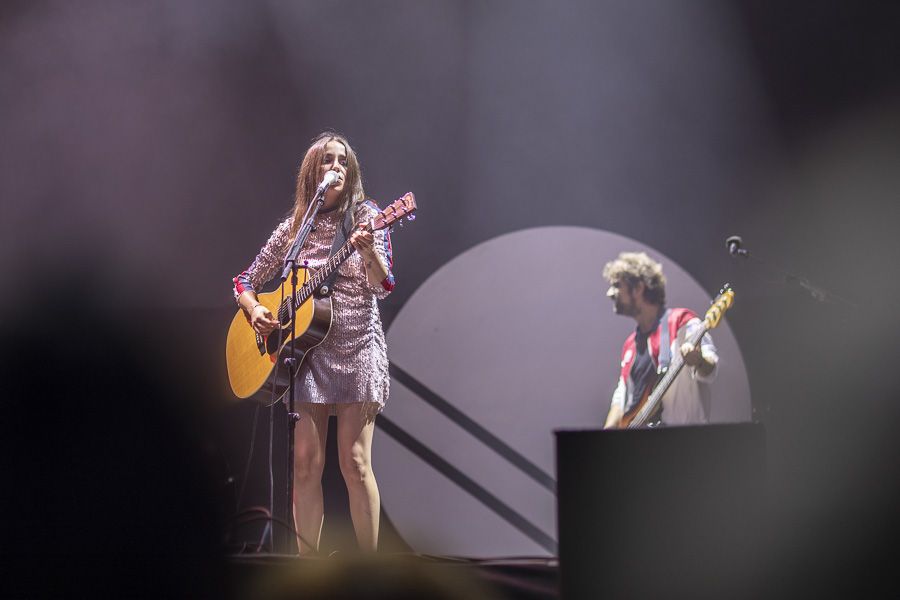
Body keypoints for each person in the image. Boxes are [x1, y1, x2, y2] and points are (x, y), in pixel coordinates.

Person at [232, 132, 394, 553]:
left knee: (355, 463)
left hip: (357, 348)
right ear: (313, 172)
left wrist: (368, 251)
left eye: (342, 161)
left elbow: (384, 286)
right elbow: (244, 281)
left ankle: (371, 570)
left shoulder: (367, 216)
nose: (336, 166)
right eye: (327, 160)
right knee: (305, 465)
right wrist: (255, 309)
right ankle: (309, 569)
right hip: (307, 354)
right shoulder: (295, 228)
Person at [601, 252, 718, 428]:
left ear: (638, 288)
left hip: (682, 441)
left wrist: (699, 360)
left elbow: (711, 369)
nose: (610, 293)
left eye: (617, 285)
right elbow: (621, 398)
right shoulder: (631, 345)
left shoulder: (681, 321)